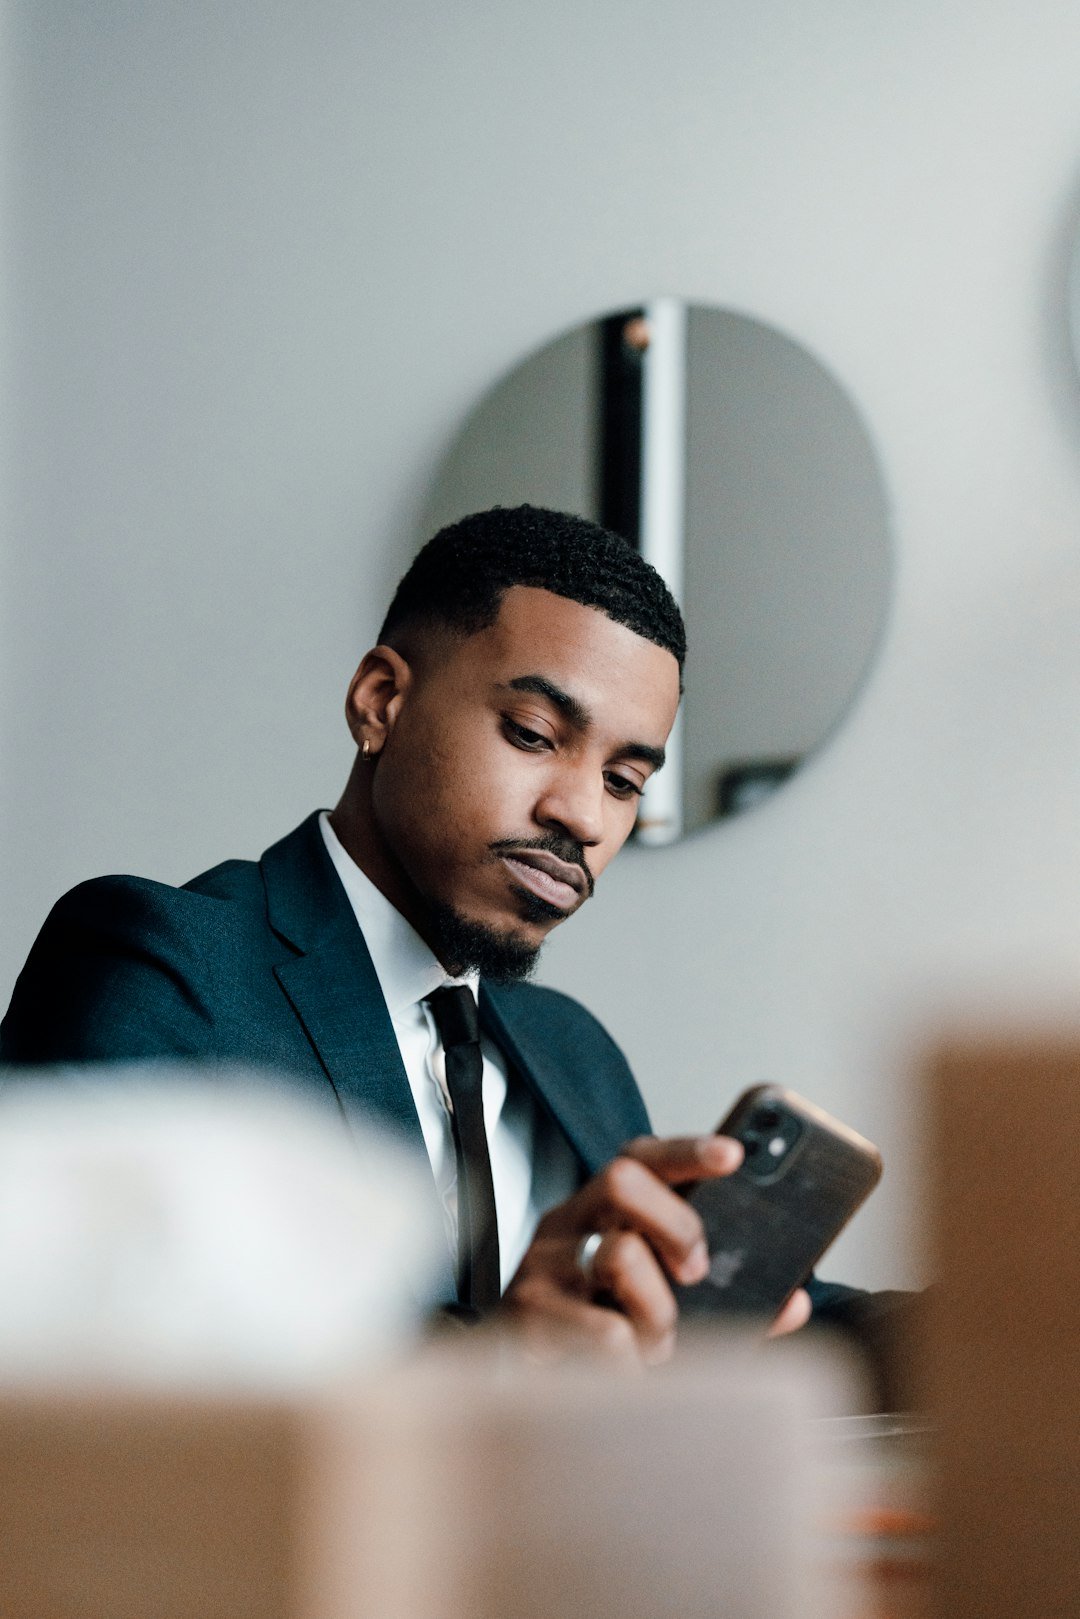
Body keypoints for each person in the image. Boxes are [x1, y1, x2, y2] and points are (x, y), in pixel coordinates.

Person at [2, 505, 871, 1365]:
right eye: (534, 735)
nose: (582, 814)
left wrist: (982, 1324)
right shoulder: (160, 962)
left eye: (623, 778)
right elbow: (85, 1366)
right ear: (381, 702)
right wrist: (487, 1369)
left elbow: (687, 1320)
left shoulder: (573, 1052)